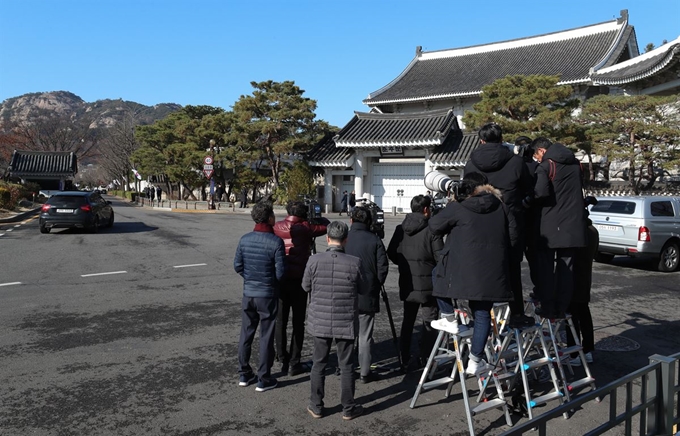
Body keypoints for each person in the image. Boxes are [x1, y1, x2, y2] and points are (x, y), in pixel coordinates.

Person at [428, 172, 518, 376]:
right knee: (482, 314)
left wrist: (449, 204)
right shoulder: (502, 206)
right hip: (492, 271)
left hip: (458, 269)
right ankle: (476, 360)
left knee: (437, 274)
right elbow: (513, 236)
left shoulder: (458, 207)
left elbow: (434, 227)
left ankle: (449, 318)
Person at [464, 123, 534, 328]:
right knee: (512, 270)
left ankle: (480, 317)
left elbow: (468, 193)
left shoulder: (471, 163)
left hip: (481, 223)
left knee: (481, 268)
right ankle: (517, 314)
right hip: (511, 221)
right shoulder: (515, 162)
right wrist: (519, 205)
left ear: (481, 140)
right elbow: (529, 189)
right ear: (502, 140)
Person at [303, 221, 365, 421]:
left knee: (319, 363)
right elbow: (363, 288)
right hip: (345, 320)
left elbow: (305, 286)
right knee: (346, 365)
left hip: (320, 320)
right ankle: (348, 407)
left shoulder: (314, 261)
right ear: (345, 240)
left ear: (327, 238)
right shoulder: (354, 262)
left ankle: (316, 405)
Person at [531, 137, 587, 319]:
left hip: (550, 224)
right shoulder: (576, 164)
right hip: (573, 226)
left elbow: (540, 193)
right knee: (567, 270)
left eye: (536, 155)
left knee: (546, 269)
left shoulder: (547, 166)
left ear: (541, 151)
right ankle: (562, 308)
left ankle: (547, 307)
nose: (537, 159)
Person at [273, 201, 331, 376]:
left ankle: (281, 356)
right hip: (300, 279)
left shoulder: (277, 227)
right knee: (298, 322)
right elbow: (326, 226)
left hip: (281, 278)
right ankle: (294, 362)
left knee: (280, 321)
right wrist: (316, 215)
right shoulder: (306, 228)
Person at [387, 195, 444, 371]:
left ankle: (404, 356)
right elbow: (440, 257)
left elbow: (391, 252)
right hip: (429, 284)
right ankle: (425, 357)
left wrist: (404, 265)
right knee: (430, 321)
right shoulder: (432, 230)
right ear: (426, 209)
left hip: (408, 281)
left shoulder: (400, 229)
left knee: (408, 321)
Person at [234, 202, 286, 392]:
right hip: (267, 294)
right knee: (266, 335)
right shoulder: (275, 242)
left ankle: (244, 372)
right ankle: (264, 377)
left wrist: (250, 277)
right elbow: (280, 273)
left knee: (246, 333)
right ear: (269, 218)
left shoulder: (245, 239)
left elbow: (237, 265)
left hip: (249, 292)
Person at [344, 206, 389, 383]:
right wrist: (375, 285)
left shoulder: (344, 237)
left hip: (345, 292)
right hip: (367, 292)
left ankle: (345, 368)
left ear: (352, 221)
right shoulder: (375, 240)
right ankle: (364, 371)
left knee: (346, 334)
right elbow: (382, 267)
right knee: (365, 335)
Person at [566, 198, 598, 366]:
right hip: (585, 279)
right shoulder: (592, 230)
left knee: (572, 317)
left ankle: (573, 354)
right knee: (584, 314)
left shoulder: (577, 232)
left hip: (572, 279)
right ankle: (588, 349)